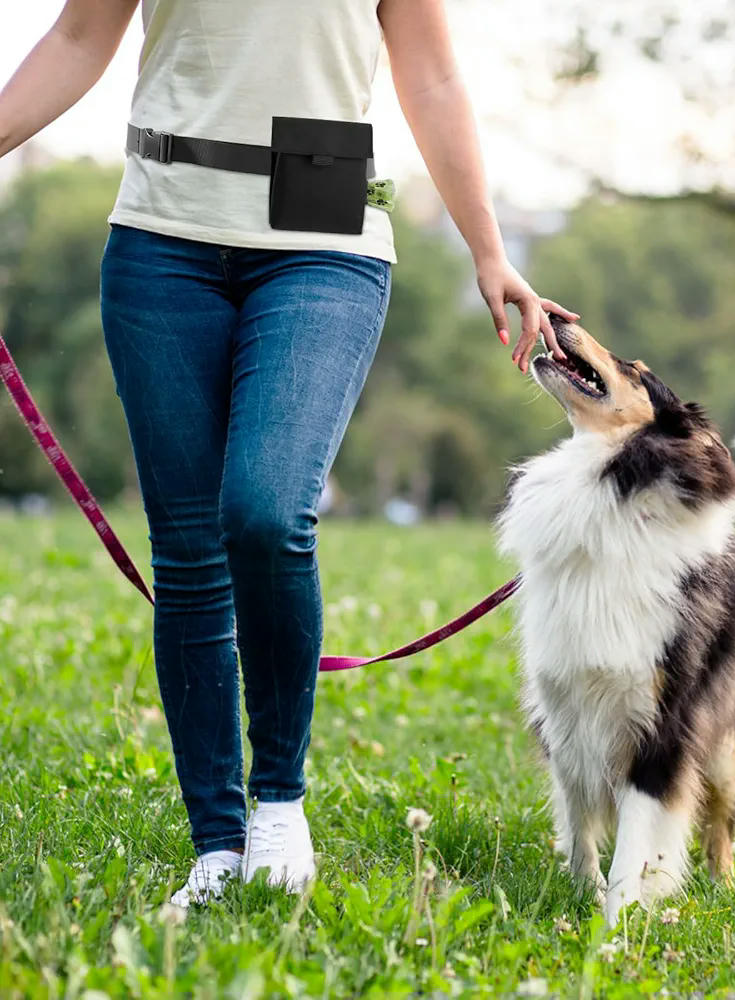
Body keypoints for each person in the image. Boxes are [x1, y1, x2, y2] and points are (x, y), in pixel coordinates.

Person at [0, 0, 576, 907]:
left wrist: (488, 248)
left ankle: (279, 804)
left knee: (265, 513)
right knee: (190, 556)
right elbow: (77, 39)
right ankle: (218, 848)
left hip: (322, 247)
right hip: (161, 245)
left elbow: (431, 75)